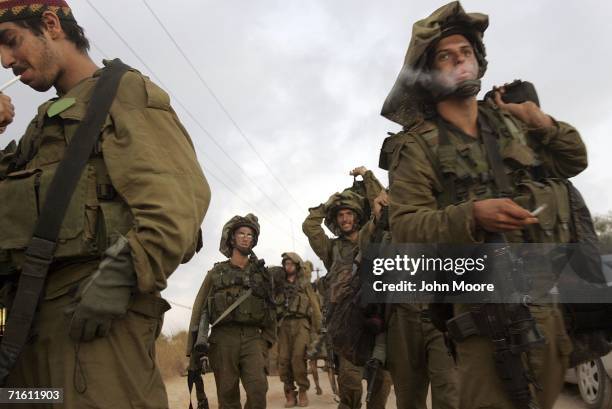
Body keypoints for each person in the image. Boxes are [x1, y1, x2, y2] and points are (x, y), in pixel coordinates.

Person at [0, 2, 210, 408]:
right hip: (27, 331)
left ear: (50, 25)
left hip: (92, 329)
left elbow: (178, 204)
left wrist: (119, 279)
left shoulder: (122, 92)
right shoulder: (40, 126)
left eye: (11, 42)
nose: (7, 62)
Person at [381, 2, 583, 408]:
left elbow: (574, 160)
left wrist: (538, 118)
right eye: (446, 55)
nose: (460, 60)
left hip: (544, 303)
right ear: (429, 72)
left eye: (466, 52)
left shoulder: (512, 121)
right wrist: (471, 215)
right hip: (482, 309)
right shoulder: (417, 146)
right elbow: (405, 225)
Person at [302, 167, 391, 409]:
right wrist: (329, 203)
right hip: (346, 324)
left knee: (380, 384)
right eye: (340, 215)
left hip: (376, 319)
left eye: (349, 213)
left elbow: (382, 206)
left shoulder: (374, 236)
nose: (345, 219)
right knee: (350, 385)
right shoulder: (331, 249)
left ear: (357, 216)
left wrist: (368, 176)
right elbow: (310, 227)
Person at [187, 214, 276, 409]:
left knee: (258, 391)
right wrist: (192, 350)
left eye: (250, 234)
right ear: (232, 238)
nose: (245, 237)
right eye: (241, 233)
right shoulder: (216, 274)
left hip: (253, 339)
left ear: (254, 240)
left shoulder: (261, 274)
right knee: (227, 396)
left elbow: (271, 310)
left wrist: (266, 342)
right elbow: (199, 309)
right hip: (223, 340)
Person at [275, 252, 322, 407]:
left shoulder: (305, 285)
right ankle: (289, 392)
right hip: (283, 325)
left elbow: (315, 307)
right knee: (283, 360)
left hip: (302, 324)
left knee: (298, 358)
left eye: (291, 263)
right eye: (286, 264)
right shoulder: (279, 285)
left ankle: (302, 390)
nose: (288, 266)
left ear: (297, 265)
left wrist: (318, 329)